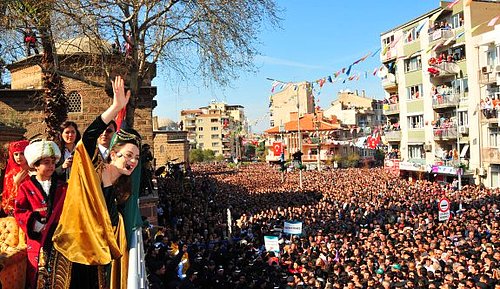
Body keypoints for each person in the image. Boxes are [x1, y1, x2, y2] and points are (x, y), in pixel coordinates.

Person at [49, 75, 143, 288]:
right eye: (128, 155)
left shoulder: (122, 188)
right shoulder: (93, 166)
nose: (133, 161)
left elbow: (109, 222)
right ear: (113, 153)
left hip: (95, 256)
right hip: (72, 248)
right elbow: (89, 137)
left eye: (136, 158)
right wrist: (116, 107)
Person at [14, 139, 67, 289]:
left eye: (52, 162)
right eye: (46, 162)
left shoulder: (63, 187)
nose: (51, 166)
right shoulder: (25, 187)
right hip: (37, 241)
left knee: (59, 276)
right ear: (36, 166)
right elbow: (20, 211)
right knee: (36, 276)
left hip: (59, 238)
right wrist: (37, 224)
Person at [1, 140, 30, 215]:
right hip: (18, 209)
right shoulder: (11, 174)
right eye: (16, 154)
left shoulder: (35, 170)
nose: (18, 157)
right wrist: (16, 183)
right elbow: (9, 198)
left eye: (22, 154)